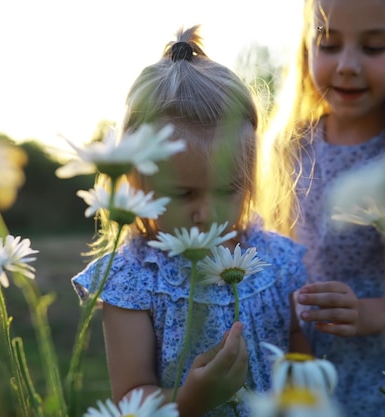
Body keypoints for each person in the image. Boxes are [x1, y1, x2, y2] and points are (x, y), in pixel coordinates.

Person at [71, 26, 310, 417]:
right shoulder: (134, 278)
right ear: (136, 182)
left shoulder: (278, 260)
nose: (208, 213)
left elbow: (300, 354)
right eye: (183, 194)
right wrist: (191, 400)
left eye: (226, 189)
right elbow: (131, 396)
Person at [257, 0, 385, 416]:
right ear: (305, 46)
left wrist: (373, 312)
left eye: (373, 48)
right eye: (329, 44)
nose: (347, 65)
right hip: (307, 371)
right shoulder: (290, 148)